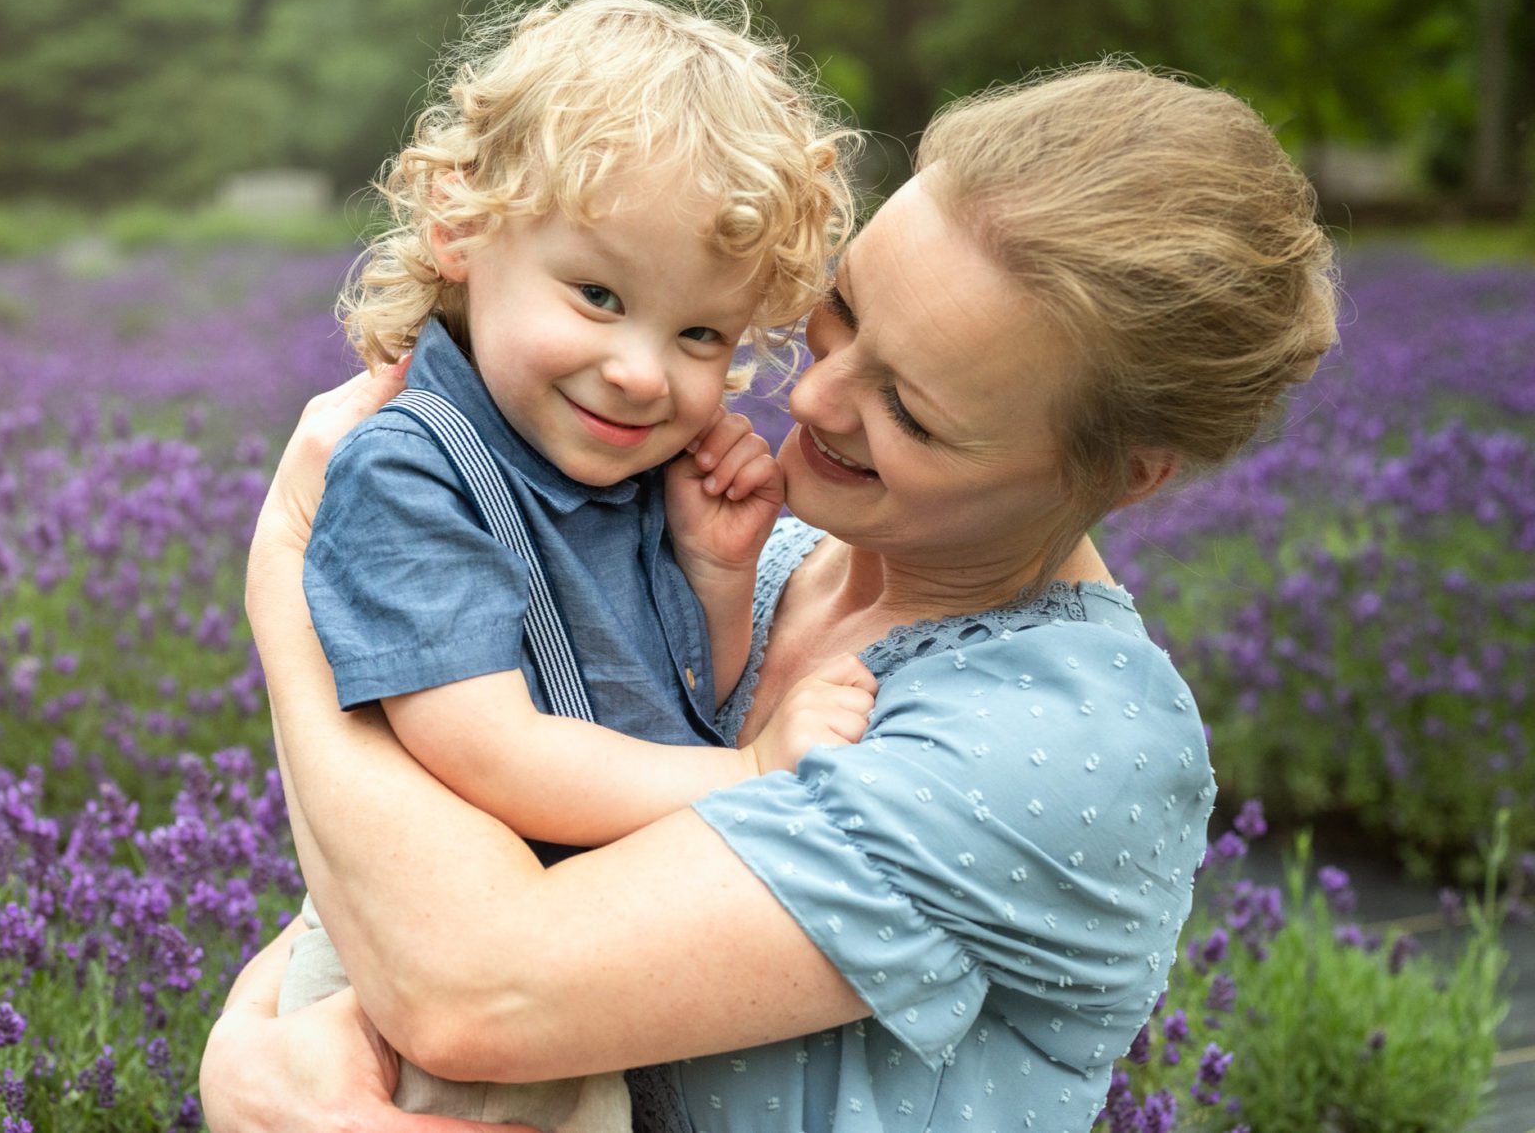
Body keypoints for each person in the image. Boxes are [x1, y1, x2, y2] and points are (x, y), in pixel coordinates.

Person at [206, 60, 1339, 1133]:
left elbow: (467, 991)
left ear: (1119, 473)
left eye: (913, 412)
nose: (816, 397)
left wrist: (291, 574)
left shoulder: (1051, 742)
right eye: (839, 314)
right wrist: (253, 1054)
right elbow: (394, 874)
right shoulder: (751, 547)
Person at [277, 0, 870, 1133]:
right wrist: (749, 781)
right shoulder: (412, 471)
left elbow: (655, 701)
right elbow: (484, 748)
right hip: (431, 984)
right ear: (459, 229)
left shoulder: (613, 468)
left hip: (554, 947)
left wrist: (707, 579)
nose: (645, 372)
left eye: (700, 333)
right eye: (597, 295)